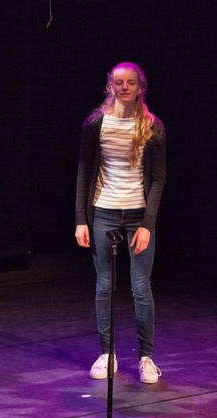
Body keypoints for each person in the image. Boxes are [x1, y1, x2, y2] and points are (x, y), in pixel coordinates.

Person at [75, 62, 166, 384]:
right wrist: (81, 220)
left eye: (130, 83)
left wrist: (148, 224)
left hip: (138, 215)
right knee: (104, 285)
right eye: (118, 82)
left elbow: (158, 179)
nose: (124, 87)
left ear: (140, 87)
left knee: (141, 286)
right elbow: (84, 172)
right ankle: (107, 353)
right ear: (110, 86)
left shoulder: (152, 126)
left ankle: (146, 357)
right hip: (104, 212)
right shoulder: (96, 123)